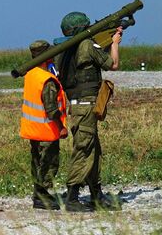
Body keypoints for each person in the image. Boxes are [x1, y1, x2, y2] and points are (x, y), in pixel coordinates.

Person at [56, 12, 122, 211]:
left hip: (78, 105)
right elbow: (113, 64)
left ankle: (96, 195)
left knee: (93, 149)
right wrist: (115, 43)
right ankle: (72, 197)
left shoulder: (63, 49)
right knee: (84, 150)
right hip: (86, 106)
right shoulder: (86, 45)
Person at [19, 40, 69, 210]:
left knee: (37, 162)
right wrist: (61, 126)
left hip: (33, 130)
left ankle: (39, 193)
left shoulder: (31, 74)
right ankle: (41, 196)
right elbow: (51, 109)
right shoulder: (46, 79)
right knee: (49, 164)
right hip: (47, 131)